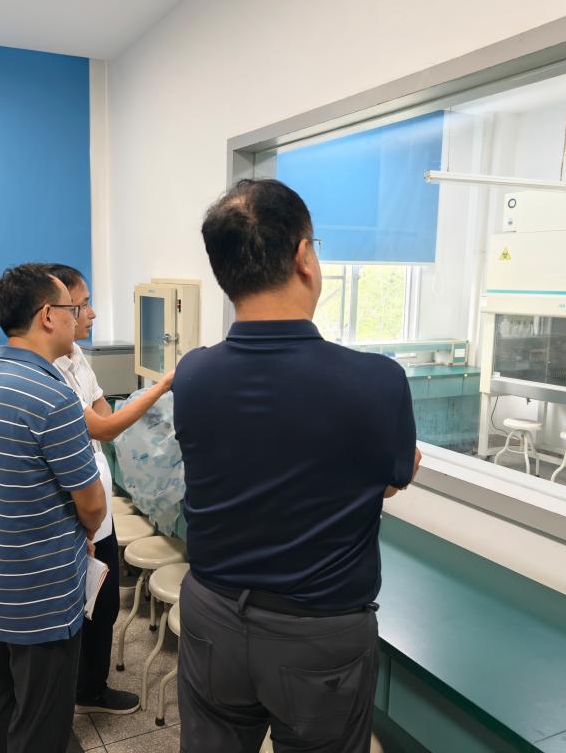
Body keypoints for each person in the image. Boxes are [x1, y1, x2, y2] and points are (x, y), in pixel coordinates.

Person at [173, 180, 421, 753]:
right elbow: (393, 477)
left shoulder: (193, 374)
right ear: (304, 256)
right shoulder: (377, 381)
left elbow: (234, 461)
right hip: (319, 635)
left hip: (211, 614)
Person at [0, 263, 107, 753]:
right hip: (41, 593)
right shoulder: (54, 398)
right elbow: (92, 505)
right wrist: (86, 529)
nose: (78, 317)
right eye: (72, 309)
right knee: (42, 721)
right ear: (48, 315)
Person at [47, 263, 174, 716]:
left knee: (101, 606)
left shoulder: (76, 357)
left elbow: (106, 415)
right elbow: (101, 428)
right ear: (54, 312)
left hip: (99, 509)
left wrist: (155, 417)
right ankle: (74, 692)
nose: (92, 313)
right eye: (82, 305)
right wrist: (161, 388)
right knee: (75, 611)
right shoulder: (49, 373)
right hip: (77, 513)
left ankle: (91, 687)